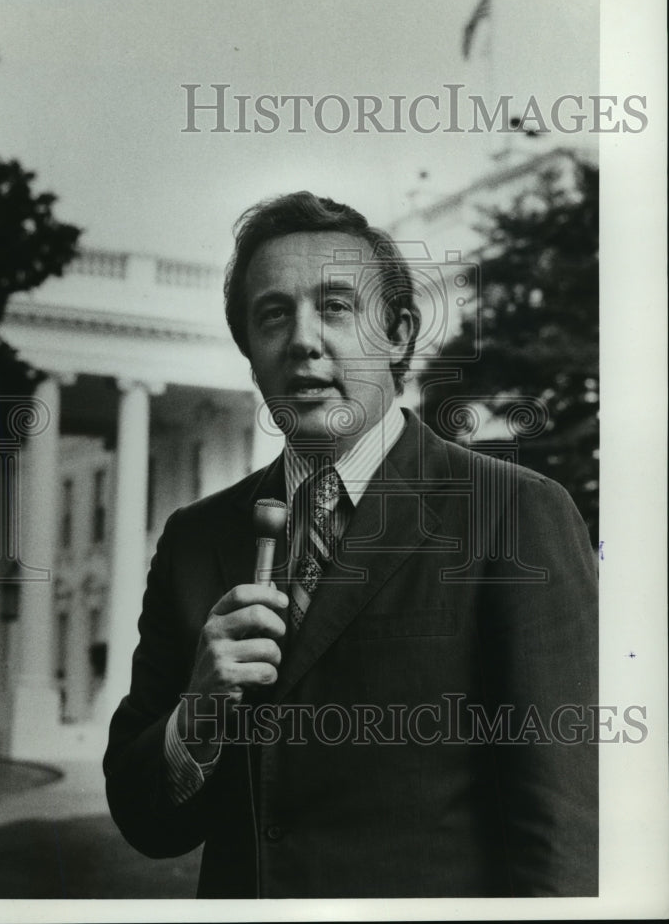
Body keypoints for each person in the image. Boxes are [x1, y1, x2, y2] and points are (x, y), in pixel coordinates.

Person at [103, 191, 598, 898]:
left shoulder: (512, 515)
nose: (303, 339)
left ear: (397, 334)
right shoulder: (196, 539)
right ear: (249, 354)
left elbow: (563, 832)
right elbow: (146, 823)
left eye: (335, 306)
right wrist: (200, 711)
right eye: (273, 314)